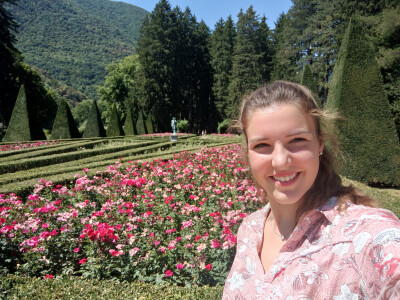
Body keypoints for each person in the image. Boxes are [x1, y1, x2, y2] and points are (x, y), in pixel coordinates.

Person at [223, 81, 400, 299]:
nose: (280, 161)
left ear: (319, 144)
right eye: (262, 145)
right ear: (248, 153)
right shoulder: (249, 229)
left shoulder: (366, 235)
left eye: (297, 140)